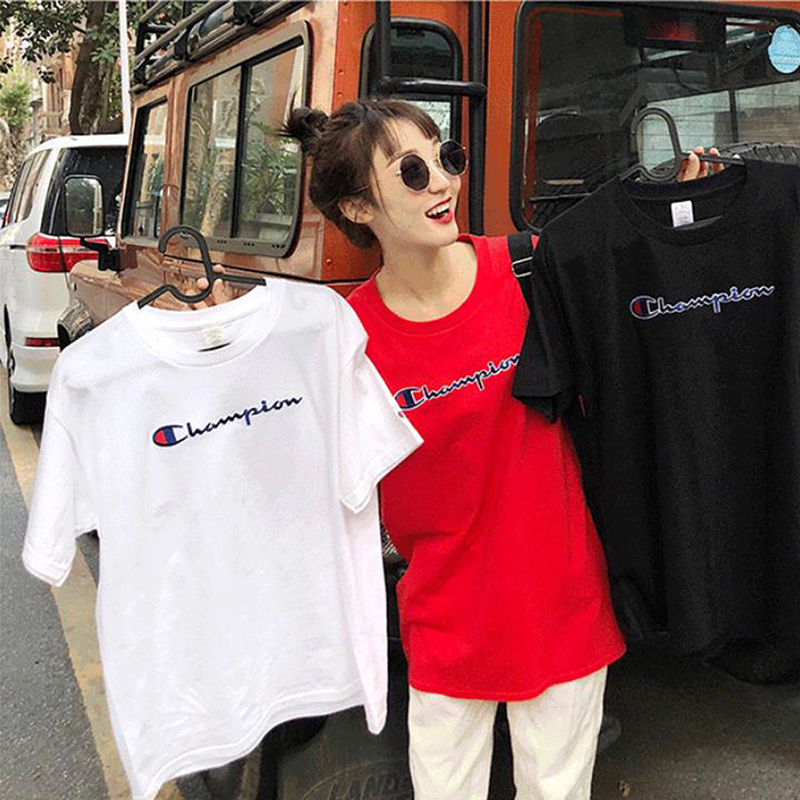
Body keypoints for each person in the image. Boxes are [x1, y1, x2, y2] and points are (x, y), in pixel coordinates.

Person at [198, 98, 722, 800]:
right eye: (411, 172)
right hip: (445, 625)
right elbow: (274, 469)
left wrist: (688, 204)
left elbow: (652, 284)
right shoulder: (345, 340)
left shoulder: (534, 271)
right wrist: (212, 352)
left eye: (446, 157)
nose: (443, 182)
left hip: (563, 607)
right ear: (357, 207)